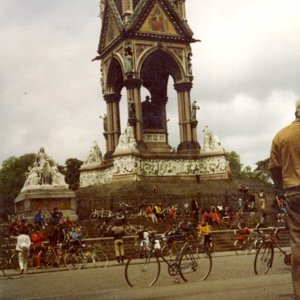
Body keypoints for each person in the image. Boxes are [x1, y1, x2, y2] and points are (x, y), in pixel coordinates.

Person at [269, 100, 300, 300]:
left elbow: (274, 167)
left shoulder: (281, 135)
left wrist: (281, 186)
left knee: (297, 242)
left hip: (293, 191)